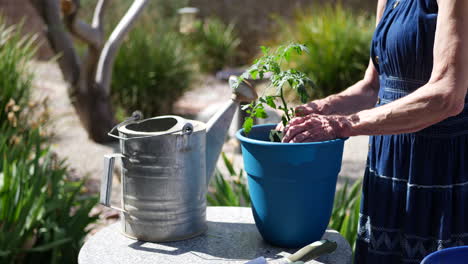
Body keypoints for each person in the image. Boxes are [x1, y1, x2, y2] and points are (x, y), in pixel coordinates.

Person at [280, 0, 468, 263]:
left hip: (441, 166)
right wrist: (318, 110)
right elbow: (372, 87)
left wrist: (340, 125)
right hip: (389, 162)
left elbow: (446, 95)